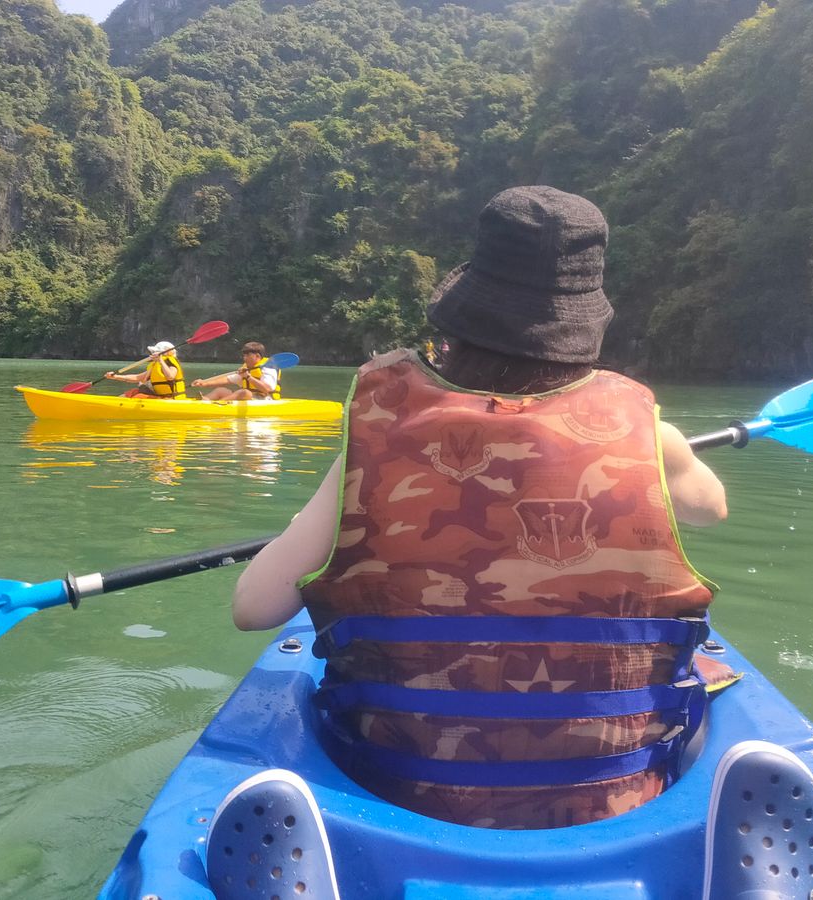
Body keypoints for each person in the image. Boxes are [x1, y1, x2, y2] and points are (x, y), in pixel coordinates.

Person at [232, 186, 727, 829]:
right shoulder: (654, 439)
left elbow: (252, 608)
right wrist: (660, 448)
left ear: (461, 323)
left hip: (394, 791)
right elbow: (711, 509)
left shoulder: (379, 434)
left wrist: (326, 511)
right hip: (612, 802)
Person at [191, 342, 280, 400]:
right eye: (244, 355)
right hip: (251, 399)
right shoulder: (247, 368)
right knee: (220, 390)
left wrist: (248, 377)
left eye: (248, 355)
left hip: (266, 399)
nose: (244, 358)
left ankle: (216, 405)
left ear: (257, 356)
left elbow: (267, 389)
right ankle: (204, 401)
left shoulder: (268, 368)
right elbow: (227, 379)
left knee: (244, 392)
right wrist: (204, 383)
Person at [104, 340, 185, 398]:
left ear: (165, 353)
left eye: (156, 352)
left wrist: (160, 360)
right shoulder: (155, 365)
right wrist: (115, 377)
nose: (153, 353)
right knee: (133, 392)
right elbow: (137, 378)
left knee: (138, 396)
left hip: (171, 399)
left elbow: (170, 376)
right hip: (160, 396)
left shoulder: (171, 363)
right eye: (153, 352)